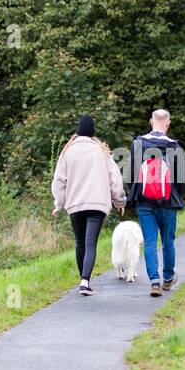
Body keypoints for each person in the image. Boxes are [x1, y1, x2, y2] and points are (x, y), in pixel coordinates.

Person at [51, 115, 126, 296]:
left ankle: (83, 281)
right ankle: (85, 282)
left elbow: (59, 180)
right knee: (90, 242)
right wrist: (119, 201)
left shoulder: (67, 152)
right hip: (97, 204)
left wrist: (58, 203)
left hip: (75, 204)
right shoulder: (101, 151)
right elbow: (114, 178)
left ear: (77, 131)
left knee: (80, 243)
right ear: (93, 133)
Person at [128, 108, 185, 297]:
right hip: (168, 202)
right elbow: (181, 178)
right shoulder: (175, 146)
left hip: (145, 203)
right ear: (167, 123)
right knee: (168, 241)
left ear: (151, 121)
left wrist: (134, 194)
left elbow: (130, 175)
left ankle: (154, 281)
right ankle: (168, 278)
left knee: (150, 242)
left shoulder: (138, 143)